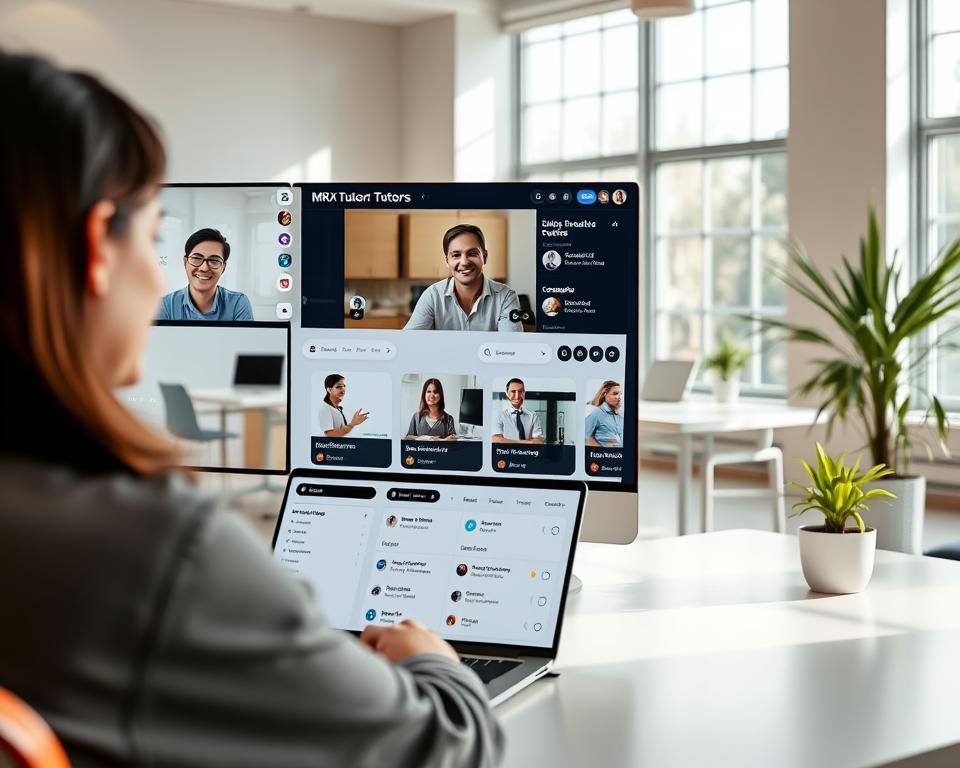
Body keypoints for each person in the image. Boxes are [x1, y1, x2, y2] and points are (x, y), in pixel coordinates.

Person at [0, 53, 501, 768]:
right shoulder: (156, 551)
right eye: (155, 238)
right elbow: (438, 749)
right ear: (98, 250)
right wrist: (438, 667)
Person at [404, 224, 522, 332]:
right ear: (447, 261)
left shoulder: (506, 296)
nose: (464, 262)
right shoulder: (432, 295)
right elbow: (409, 341)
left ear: (485, 257)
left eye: (472, 253)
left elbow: (511, 345)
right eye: (456, 255)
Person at [156, 227, 254, 320]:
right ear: (185, 262)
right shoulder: (165, 306)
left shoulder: (238, 303)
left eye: (214, 260)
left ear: (223, 268)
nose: (204, 268)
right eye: (197, 258)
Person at [492, 379, 544, 444]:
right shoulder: (499, 416)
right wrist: (528, 442)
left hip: (528, 453)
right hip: (506, 453)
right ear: (507, 393)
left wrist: (506, 441)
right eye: (513, 391)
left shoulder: (533, 416)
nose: (517, 396)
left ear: (524, 393)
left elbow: (539, 441)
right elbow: (496, 439)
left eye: (520, 391)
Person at [586, 380, 624, 448]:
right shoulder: (596, 413)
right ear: (604, 394)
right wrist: (603, 452)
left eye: (620, 394)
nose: (619, 397)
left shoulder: (619, 417)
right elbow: (585, 437)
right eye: (615, 393)